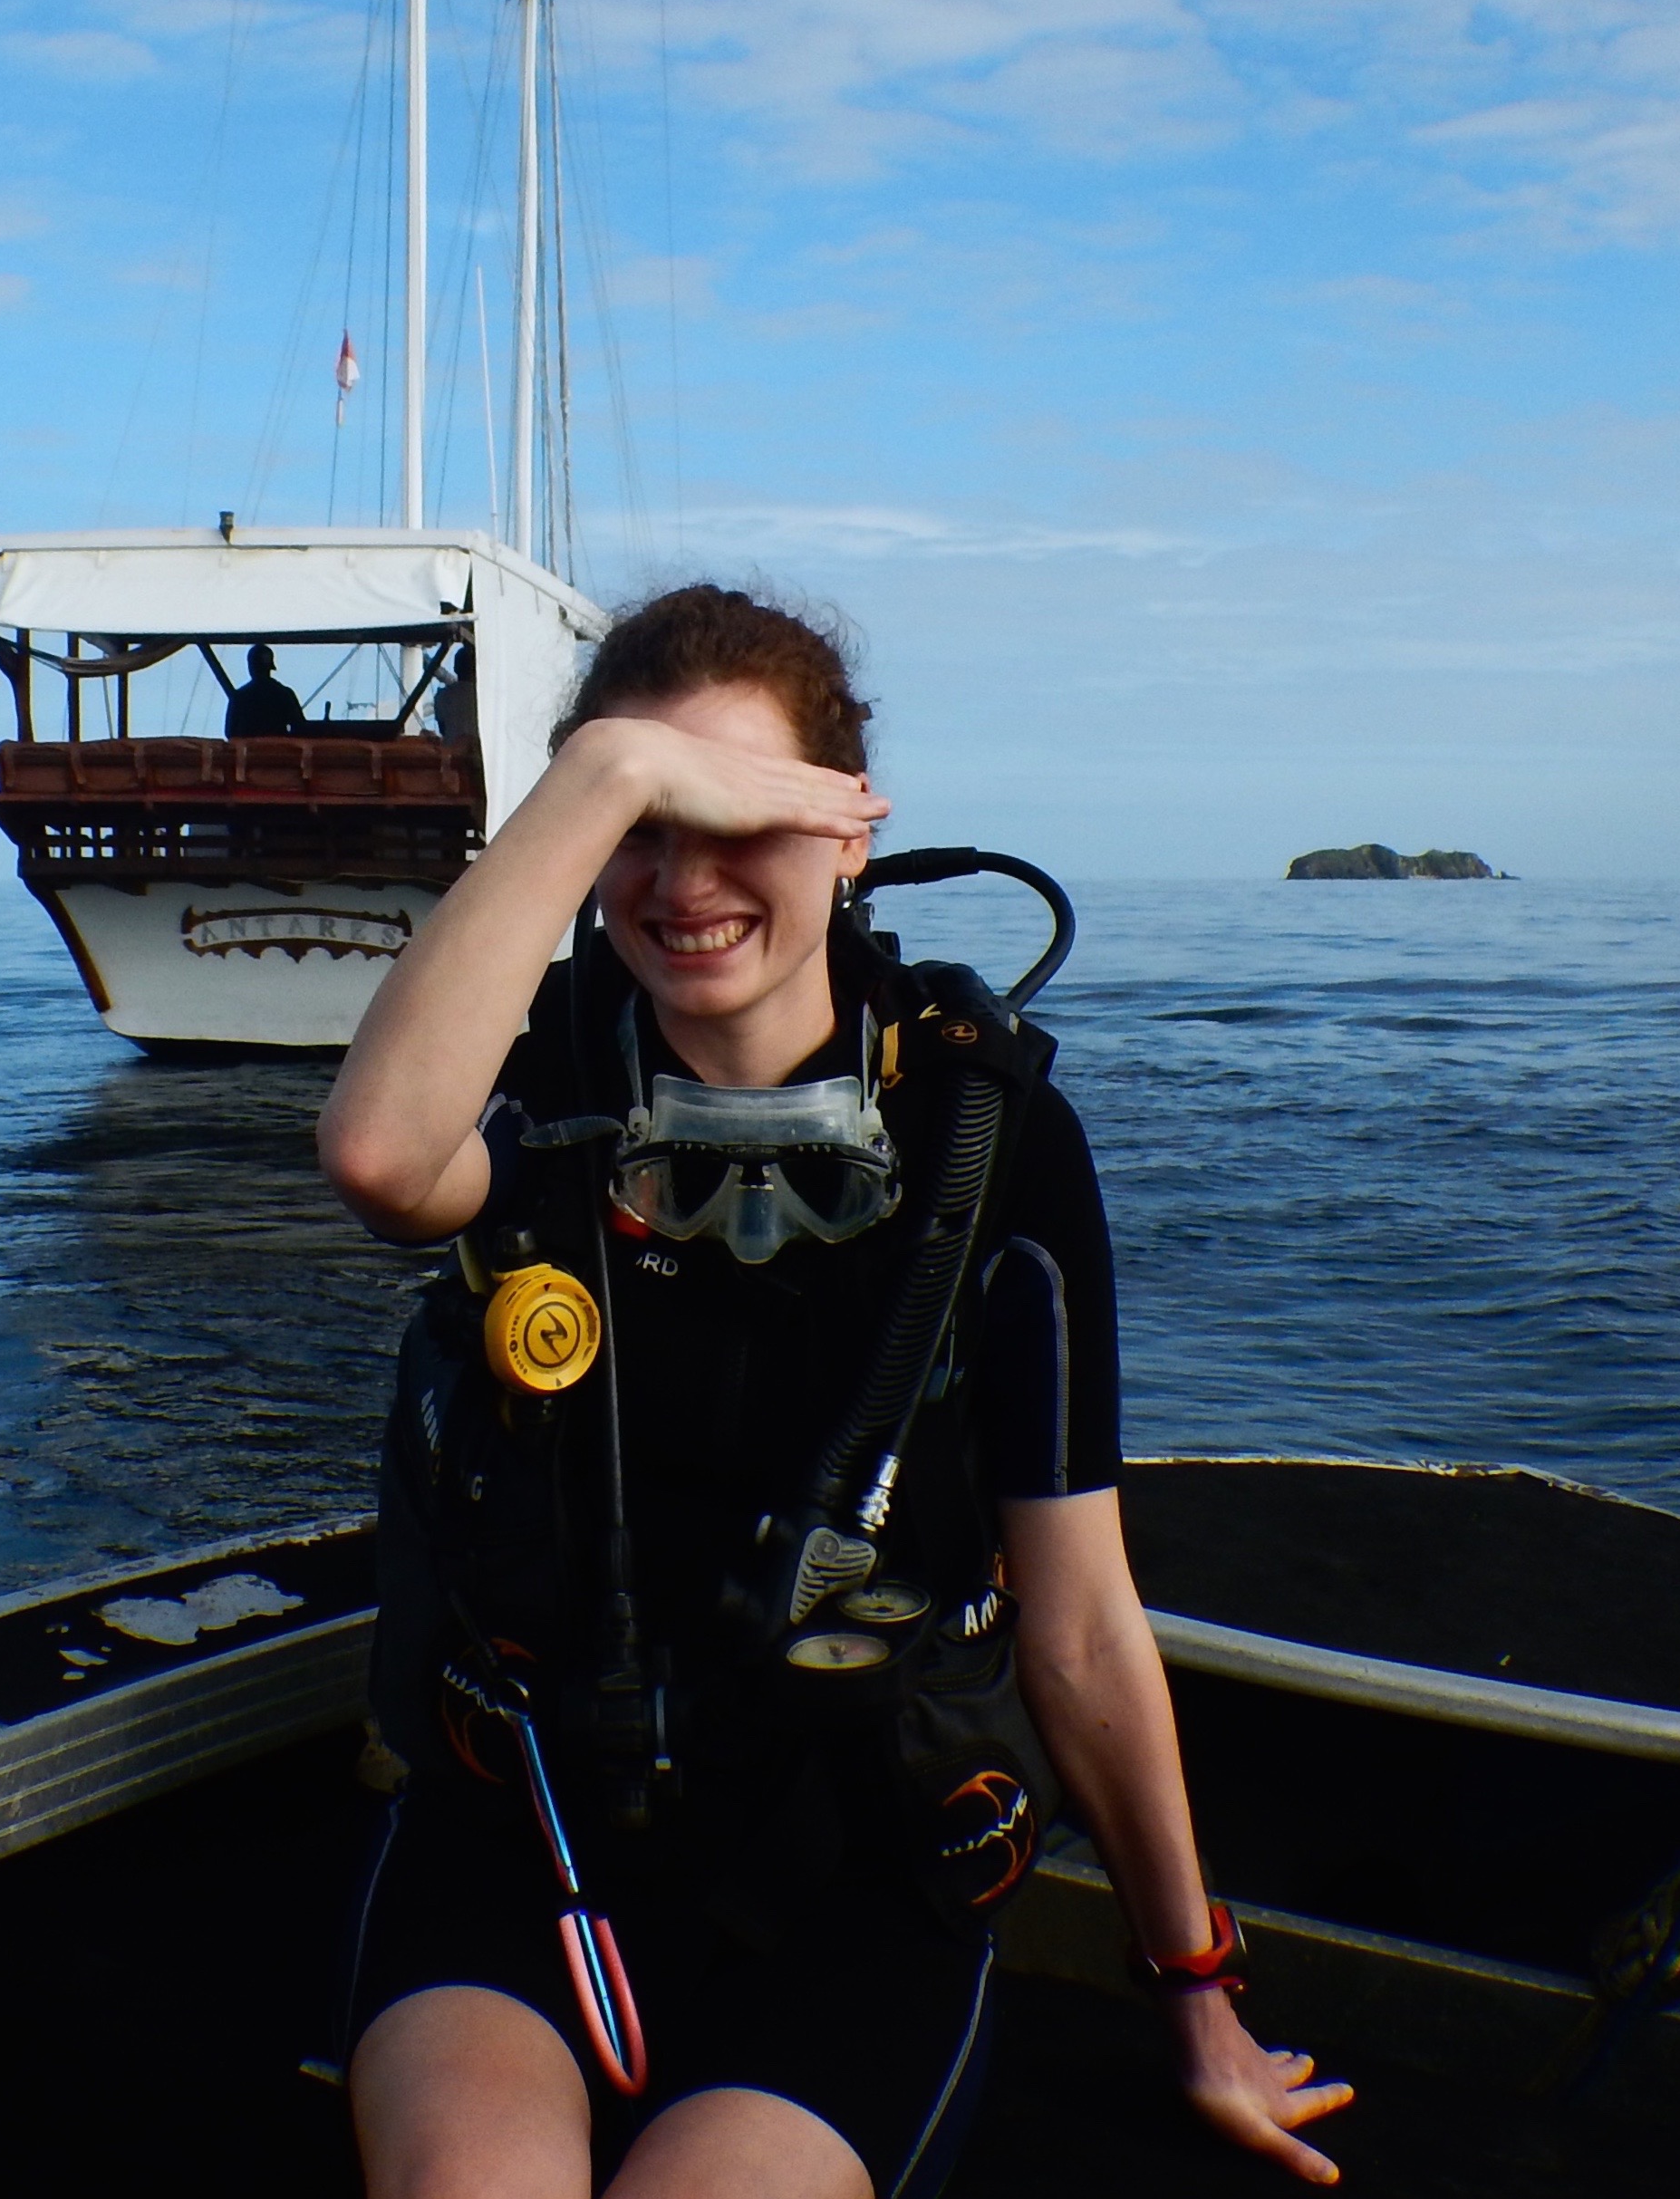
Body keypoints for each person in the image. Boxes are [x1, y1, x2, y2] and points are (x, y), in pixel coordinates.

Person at [321, 585, 1350, 2199]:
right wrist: (597, 776)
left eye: (740, 817)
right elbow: (382, 1157)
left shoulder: (982, 1137)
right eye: (645, 824)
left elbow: (1080, 1623)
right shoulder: (544, 1079)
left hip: (848, 1864)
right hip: (526, 1831)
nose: (687, 878)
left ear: (850, 831)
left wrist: (1194, 1989)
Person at [223, 641, 305, 738]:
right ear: (270, 667)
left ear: (251, 666)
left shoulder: (239, 697)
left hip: (248, 752)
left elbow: (230, 733)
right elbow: (300, 727)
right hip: (279, 751)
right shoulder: (285, 693)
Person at [433, 641, 478, 746]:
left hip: (452, 754)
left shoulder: (442, 696)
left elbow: (443, 729)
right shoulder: (485, 696)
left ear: (456, 668)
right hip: (479, 753)